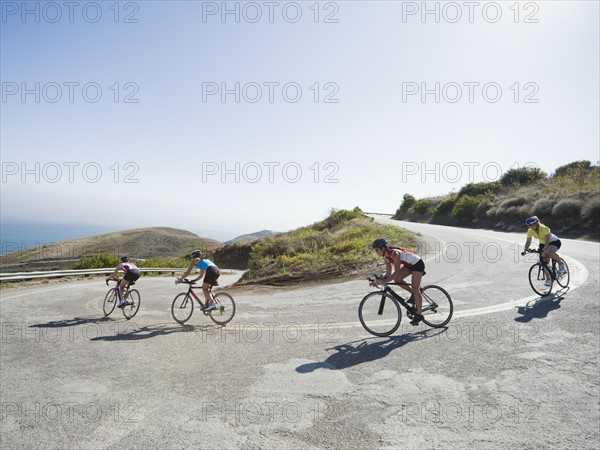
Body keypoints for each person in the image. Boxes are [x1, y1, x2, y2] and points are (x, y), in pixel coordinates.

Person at [371, 238, 426, 325]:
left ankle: (419, 315)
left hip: (417, 263)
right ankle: (414, 295)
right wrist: (378, 281)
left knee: (415, 289)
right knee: (397, 279)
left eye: (377, 249)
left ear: (382, 248)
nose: (376, 252)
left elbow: (396, 272)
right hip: (409, 265)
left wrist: (383, 282)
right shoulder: (386, 258)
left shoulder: (394, 253)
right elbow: (388, 274)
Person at [521, 216, 565, 286]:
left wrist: (545, 248)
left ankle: (561, 264)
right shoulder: (530, 231)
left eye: (533, 225)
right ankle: (548, 278)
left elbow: (547, 240)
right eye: (530, 225)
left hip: (553, 242)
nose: (531, 227)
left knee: (549, 252)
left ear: (537, 223)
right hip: (542, 243)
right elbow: (528, 242)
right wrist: (525, 250)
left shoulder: (544, 228)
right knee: (544, 262)